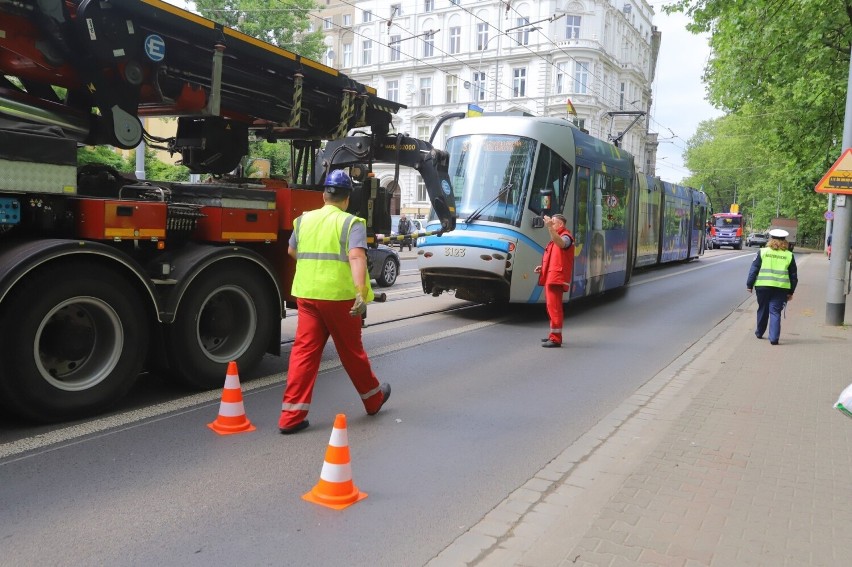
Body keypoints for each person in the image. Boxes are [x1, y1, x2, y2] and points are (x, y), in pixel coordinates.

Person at [278, 169, 390, 434]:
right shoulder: (352, 223)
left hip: (307, 295)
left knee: (304, 353)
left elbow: (292, 250)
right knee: (351, 353)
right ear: (347, 198)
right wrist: (361, 293)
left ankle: (290, 417)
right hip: (339, 298)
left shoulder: (303, 220)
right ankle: (373, 400)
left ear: (324, 195)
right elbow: (356, 257)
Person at [746, 228, 798, 346]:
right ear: (784, 241)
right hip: (781, 288)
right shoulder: (789, 255)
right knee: (775, 311)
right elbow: (793, 275)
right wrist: (791, 291)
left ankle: (759, 332)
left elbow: (754, 269)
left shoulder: (763, 252)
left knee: (763, 309)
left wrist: (749, 284)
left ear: (771, 239)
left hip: (763, 286)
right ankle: (774, 338)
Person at [534, 214, 575, 348]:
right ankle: (553, 335)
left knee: (555, 308)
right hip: (552, 277)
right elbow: (555, 258)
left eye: (553, 222)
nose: (551, 224)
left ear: (561, 225)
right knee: (551, 308)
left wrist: (550, 228)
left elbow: (562, 244)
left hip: (556, 278)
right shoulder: (556, 238)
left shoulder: (566, 237)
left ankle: (556, 338)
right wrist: (543, 267)